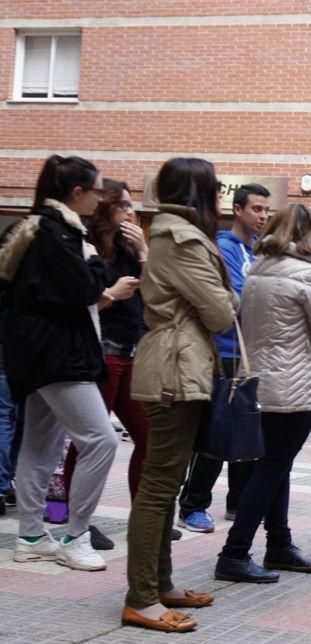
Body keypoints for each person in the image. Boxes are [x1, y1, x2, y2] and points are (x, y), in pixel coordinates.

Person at [123, 158, 238, 632]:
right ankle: (141, 597)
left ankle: (160, 584)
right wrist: (221, 299)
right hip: (174, 367)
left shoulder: (172, 234)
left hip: (180, 362)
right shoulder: (183, 239)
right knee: (157, 487)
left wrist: (212, 300)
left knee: (166, 483)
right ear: (201, 192)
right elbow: (222, 311)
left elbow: (211, 304)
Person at [0, 155, 120, 571]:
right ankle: (75, 536)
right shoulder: (59, 234)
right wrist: (96, 265)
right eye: (97, 190)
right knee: (101, 441)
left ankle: (31, 535)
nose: (100, 198)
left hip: (37, 354)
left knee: (40, 445)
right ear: (76, 193)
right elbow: (84, 288)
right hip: (59, 355)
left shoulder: (36, 228)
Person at [215, 203, 311, 582]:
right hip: (297, 382)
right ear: (310, 234)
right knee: (272, 466)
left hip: (261, 381)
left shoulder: (256, 270)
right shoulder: (309, 275)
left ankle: (279, 545)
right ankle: (234, 552)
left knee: (274, 464)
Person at [61, 179, 154, 549]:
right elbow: (80, 304)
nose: (131, 212)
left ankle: (143, 516)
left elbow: (155, 295)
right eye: (125, 205)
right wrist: (110, 296)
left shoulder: (131, 249)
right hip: (100, 352)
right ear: (106, 210)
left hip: (131, 352)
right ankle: (77, 521)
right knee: (90, 440)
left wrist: (145, 251)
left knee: (147, 436)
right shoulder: (89, 247)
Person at [178, 183, 269, 532]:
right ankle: (193, 505)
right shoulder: (224, 248)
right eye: (256, 209)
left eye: (266, 210)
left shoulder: (256, 253)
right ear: (239, 210)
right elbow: (238, 297)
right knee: (216, 431)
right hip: (224, 352)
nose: (262, 216)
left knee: (246, 430)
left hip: (250, 355)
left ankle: (239, 502)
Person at [0, 222, 24, 516]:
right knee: (16, 419)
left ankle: (5, 483)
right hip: (17, 348)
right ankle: (5, 482)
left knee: (8, 417)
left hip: (9, 348)